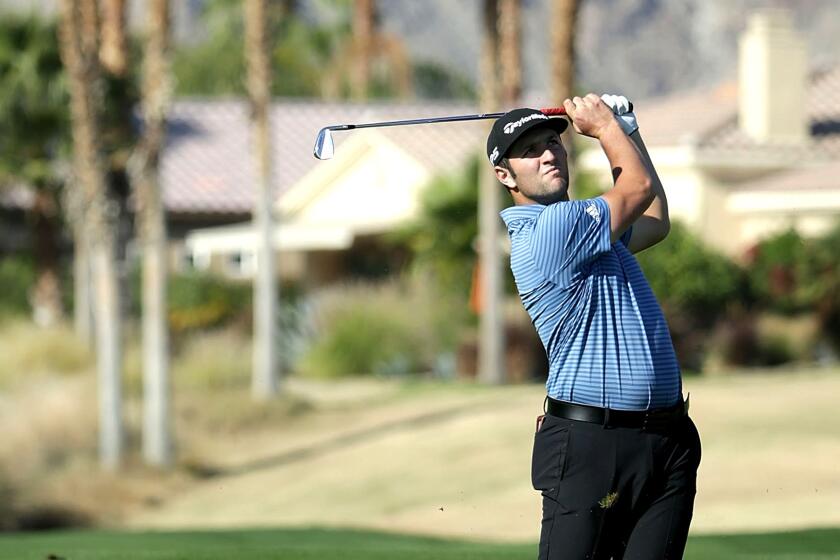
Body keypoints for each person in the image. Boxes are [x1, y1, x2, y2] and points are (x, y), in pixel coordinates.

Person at [486, 94, 701, 560]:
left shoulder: (587, 230)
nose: (548, 153)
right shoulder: (552, 231)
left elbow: (654, 221)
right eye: (530, 151)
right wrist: (608, 127)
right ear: (505, 176)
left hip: (666, 440)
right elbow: (637, 187)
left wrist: (630, 132)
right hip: (593, 447)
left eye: (552, 142)